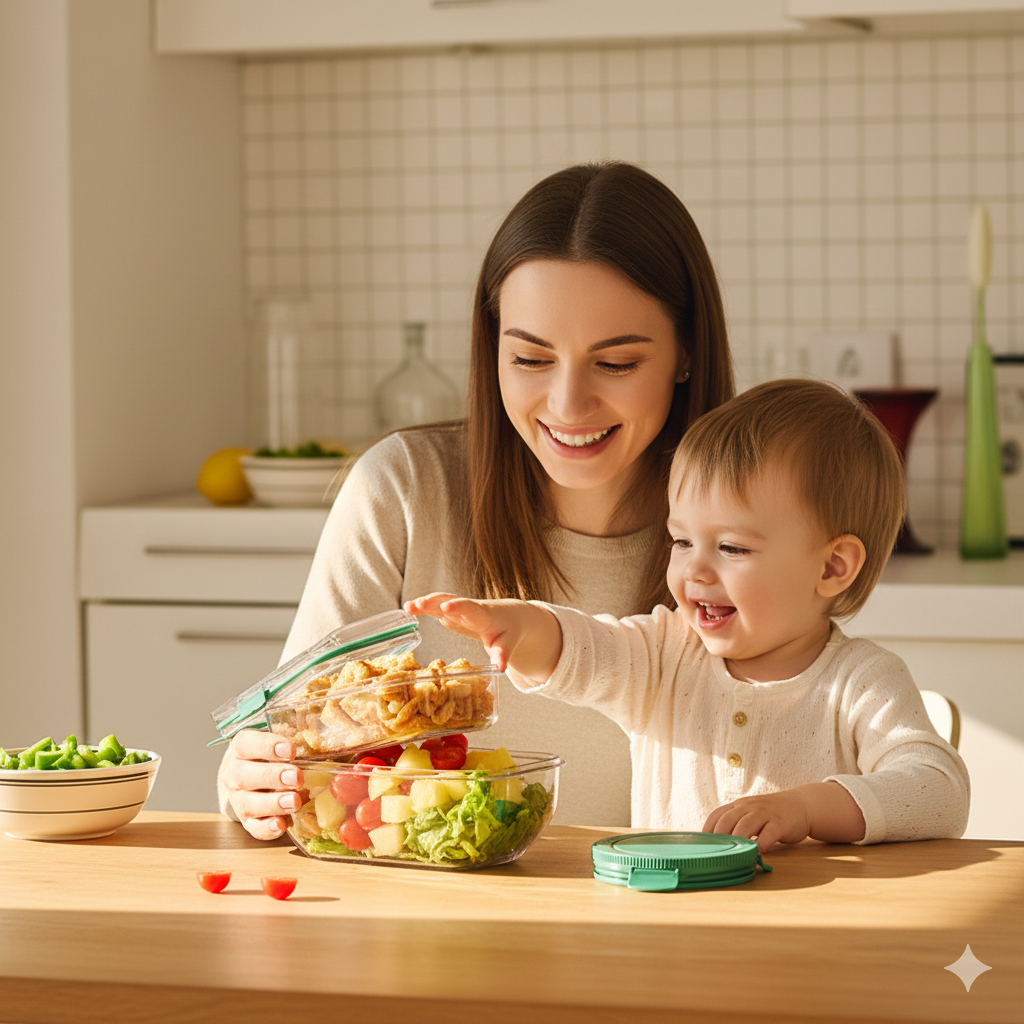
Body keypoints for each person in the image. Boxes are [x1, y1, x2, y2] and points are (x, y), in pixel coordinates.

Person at [218, 161, 735, 839]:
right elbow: (294, 748)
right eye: (529, 359)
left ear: (686, 353)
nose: (567, 404)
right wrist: (254, 782)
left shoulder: (743, 532)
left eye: (616, 363)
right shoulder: (401, 489)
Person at [405, 379, 971, 852]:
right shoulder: (665, 656)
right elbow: (590, 648)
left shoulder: (861, 682)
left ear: (832, 567)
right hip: (667, 936)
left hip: (813, 948)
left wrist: (808, 807)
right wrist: (520, 626)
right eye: (680, 541)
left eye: (732, 548)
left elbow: (938, 790)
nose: (694, 572)